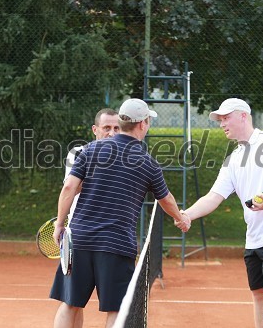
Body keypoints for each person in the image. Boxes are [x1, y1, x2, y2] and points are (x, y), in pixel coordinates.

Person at [50, 98, 191, 328]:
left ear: (122, 123)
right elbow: (165, 200)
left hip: (81, 240)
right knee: (116, 309)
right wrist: (181, 219)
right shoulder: (148, 163)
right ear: (143, 124)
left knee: (69, 303)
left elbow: (69, 187)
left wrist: (59, 225)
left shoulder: (91, 150)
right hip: (117, 245)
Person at [182, 98, 263, 328]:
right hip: (254, 238)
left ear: (243, 116)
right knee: (258, 294)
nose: (221, 123)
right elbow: (213, 197)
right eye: (220, 119)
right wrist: (186, 214)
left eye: (226, 117)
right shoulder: (233, 159)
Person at [61, 108, 120, 328]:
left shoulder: (127, 156)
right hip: (79, 235)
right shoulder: (78, 153)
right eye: (106, 128)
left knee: (114, 304)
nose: (111, 133)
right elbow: (72, 187)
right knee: (73, 301)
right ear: (95, 130)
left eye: (116, 128)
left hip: (111, 240)